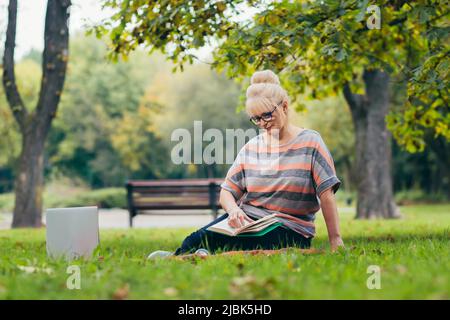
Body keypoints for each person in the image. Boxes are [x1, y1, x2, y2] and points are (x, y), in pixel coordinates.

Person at [148, 70, 344, 259]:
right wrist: (234, 211)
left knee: (256, 240)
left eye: (267, 115)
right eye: (256, 119)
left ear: (284, 106)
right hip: (248, 221)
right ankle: (183, 256)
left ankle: (203, 255)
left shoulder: (311, 142)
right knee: (197, 238)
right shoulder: (252, 147)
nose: (262, 123)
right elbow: (227, 192)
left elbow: (326, 195)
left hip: (290, 228)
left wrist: (335, 240)